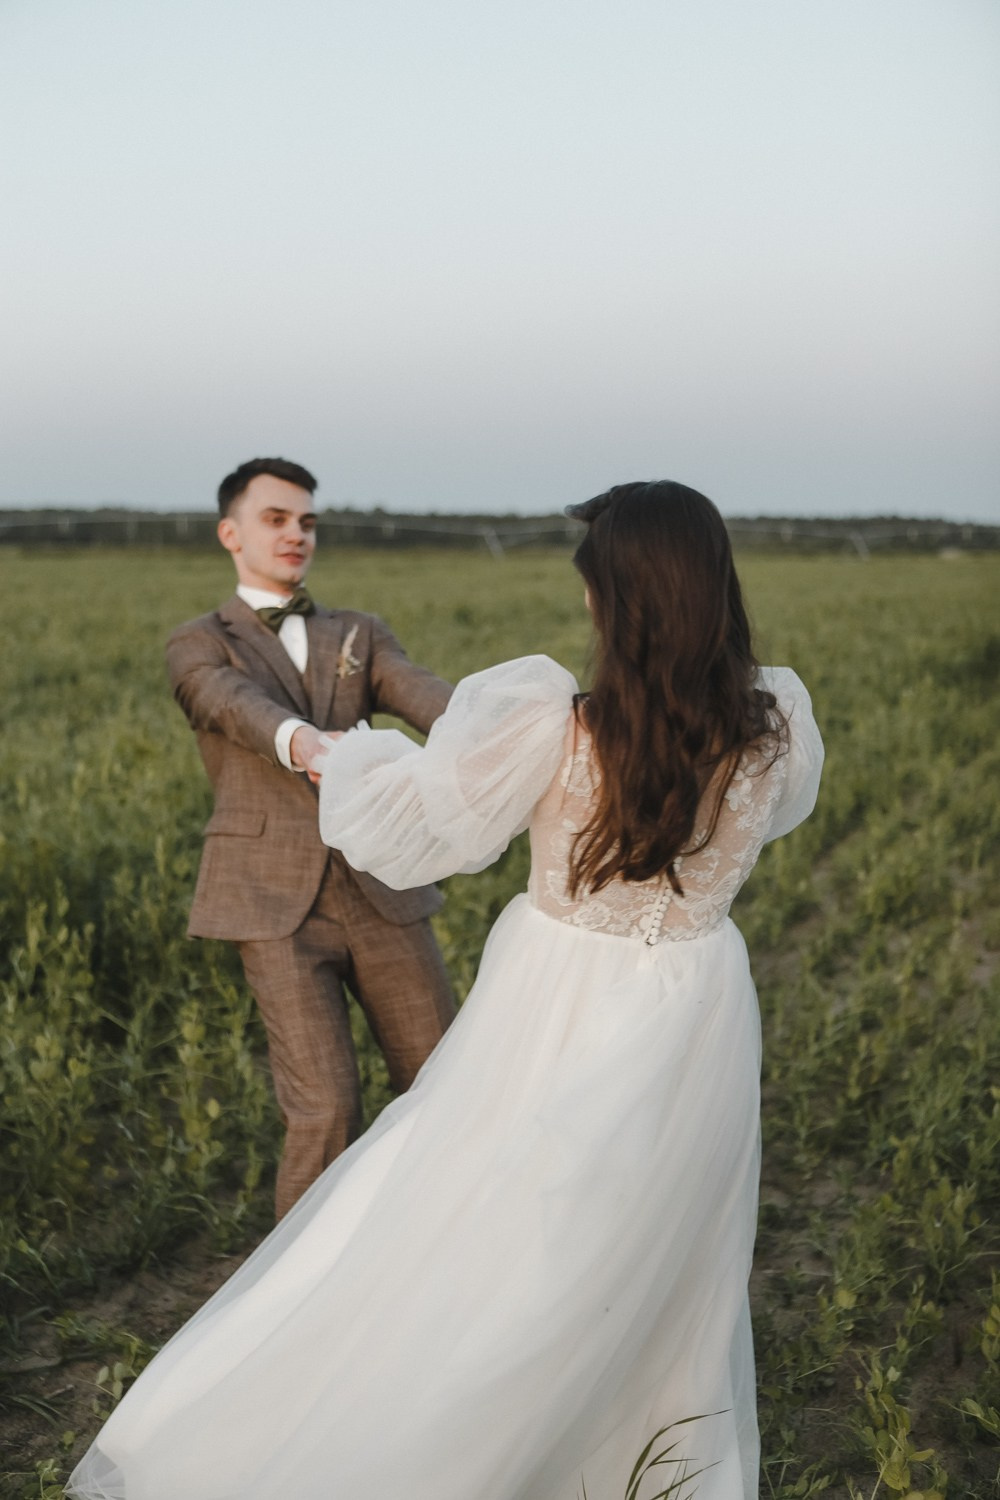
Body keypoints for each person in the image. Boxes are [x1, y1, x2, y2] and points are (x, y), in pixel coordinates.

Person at [67, 480, 823, 1500]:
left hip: (558, 993)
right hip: (698, 997)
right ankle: (636, 1444)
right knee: (662, 1227)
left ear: (624, 601)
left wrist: (366, 762)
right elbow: (753, 829)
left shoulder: (567, 727)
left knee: (510, 1214)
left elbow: (431, 822)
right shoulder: (774, 728)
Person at [164, 457, 455, 1219]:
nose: (298, 534)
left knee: (443, 1081)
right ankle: (298, 1297)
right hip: (271, 903)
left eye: (308, 522)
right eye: (277, 518)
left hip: (382, 888)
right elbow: (226, 702)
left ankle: (440, 1247)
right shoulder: (197, 642)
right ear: (230, 533)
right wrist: (304, 742)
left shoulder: (357, 631)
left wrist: (498, 724)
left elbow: (419, 689)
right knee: (324, 1109)